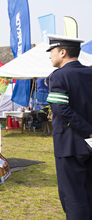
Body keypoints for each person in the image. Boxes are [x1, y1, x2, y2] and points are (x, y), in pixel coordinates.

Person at [45, 35, 92, 219]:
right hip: (89, 143)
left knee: (72, 197)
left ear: (62, 52)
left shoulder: (59, 76)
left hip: (70, 144)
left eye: (52, 51)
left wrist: (87, 129)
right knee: (89, 192)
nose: (50, 56)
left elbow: (61, 109)